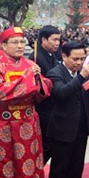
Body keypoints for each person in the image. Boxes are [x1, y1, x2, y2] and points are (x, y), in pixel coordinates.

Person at [0, 27, 52, 178]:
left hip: (28, 122)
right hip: (4, 123)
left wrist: (39, 78)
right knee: (4, 163)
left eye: (22, 42)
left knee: (28, 162)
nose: (20, 46)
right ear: (3, 45)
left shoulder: (29, 64)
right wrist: (28, 78)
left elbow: (43, 93)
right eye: (15, 42)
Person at [46, 41, 89, 178]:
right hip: (62, 130)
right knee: (59, 169)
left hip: (81, 128)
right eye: (75, 59)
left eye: (82, 59)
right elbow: (61, 93)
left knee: (76, 167)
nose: (79, 62)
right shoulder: (54, 73)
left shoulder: (83, 72)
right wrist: (81, 77)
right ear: (64, 56)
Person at [28, 25, 61, 164]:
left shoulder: (54, 54)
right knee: (45, 143)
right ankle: (36, 168)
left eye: (58, 40)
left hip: (54, 105)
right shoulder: (35, 57)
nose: (57, 43)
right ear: (44, 40)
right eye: (54, 40)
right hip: (43, 106)